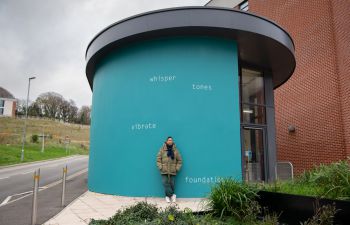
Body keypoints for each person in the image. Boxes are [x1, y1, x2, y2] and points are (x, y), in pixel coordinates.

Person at [156, 136, 182, 203]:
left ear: (172, 141)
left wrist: (177, 168)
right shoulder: (162, 149)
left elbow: (180, 161)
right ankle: (171, 195)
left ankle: (169, 196)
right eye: (169, 140)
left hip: (172, 170)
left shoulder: (176, 150)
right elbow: (158, 159)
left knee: (172, 184)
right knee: (165, 183)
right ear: (166, 141)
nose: (170, 141)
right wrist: (160, 167)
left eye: (171, 140)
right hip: (164, 170)